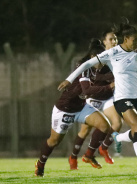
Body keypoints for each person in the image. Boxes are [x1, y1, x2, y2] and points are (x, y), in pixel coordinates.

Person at [57, 17, 137, 178]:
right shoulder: (113, 53)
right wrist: (69, 79)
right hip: (121, 98)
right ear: (126, 39)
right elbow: (86, 64)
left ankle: (117, 138)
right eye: (135, 39)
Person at [35, 39, 111, 177]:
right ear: (93, 57)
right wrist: (110, 86)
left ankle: (88, 155)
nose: (105, 61)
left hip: (82, 107)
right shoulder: (84, 67)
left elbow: (114, 75)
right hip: (66, 108)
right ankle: (40, 164)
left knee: (105, 126)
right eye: (103, 58)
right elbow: (87, 91)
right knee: (54, 141)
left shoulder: (100, 67)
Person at [68, 30, 122, 170]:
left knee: (116, 123)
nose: (114, 41)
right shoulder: (93, 59)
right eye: (111, 39)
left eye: (115, 39)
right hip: (93, 97)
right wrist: (111, 81)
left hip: (108, 96)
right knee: (85, 130)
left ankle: (97, 151)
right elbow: (96, 78)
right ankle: (73, 157)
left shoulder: (117, 56)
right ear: (104, 42)